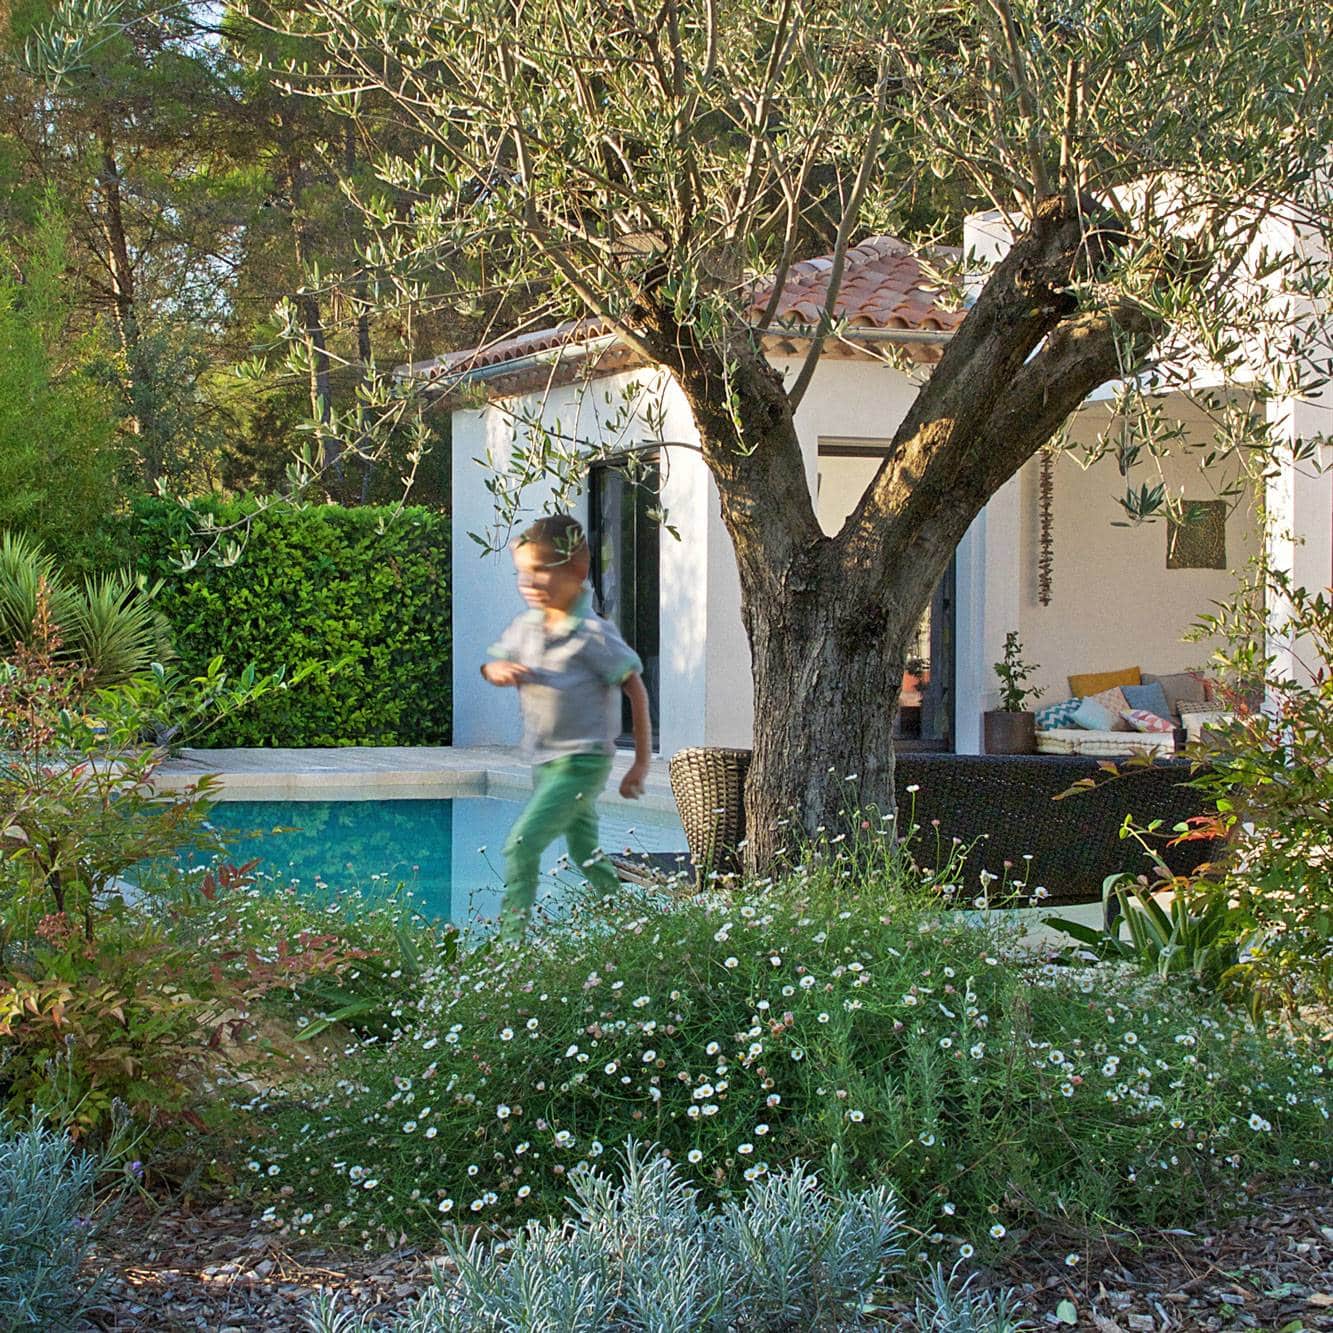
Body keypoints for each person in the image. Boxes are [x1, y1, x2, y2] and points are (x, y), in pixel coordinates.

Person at [482, 514, 651, 939]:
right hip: (545, 760)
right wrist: (498, 669)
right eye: (523, 572)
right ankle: (631, 925)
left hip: (582, 760)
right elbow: (492, 661)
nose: (530, 581)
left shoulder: (593, 634)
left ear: (577, 571)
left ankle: (510, 948)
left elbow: (636, 691)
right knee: (584, 852)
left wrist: (640, 765)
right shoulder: (527, 626)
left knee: (521, 844)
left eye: (541, 569)